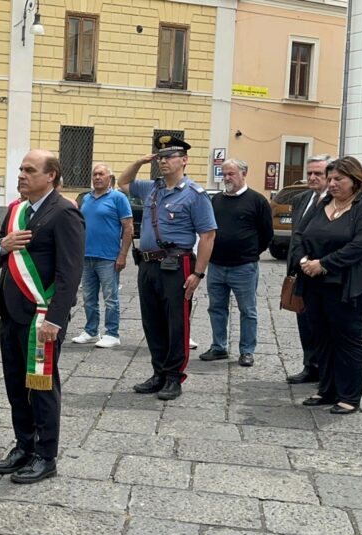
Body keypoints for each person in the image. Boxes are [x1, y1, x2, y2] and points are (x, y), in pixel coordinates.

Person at [0, 150, 84, 483]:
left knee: (41, 386)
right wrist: (4, 245)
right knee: (16, 385)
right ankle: (24, 447)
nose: (22, 175)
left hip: (41, 318)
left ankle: (46, 455)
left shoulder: (65, 213)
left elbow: (70, 272)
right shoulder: (16, 210)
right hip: (10, 314)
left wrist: (55, 320)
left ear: (51, 175)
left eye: (30, 170)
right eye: (21, 169)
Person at [120, 135, 216, 400]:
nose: (162, 161)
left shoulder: (194, 194)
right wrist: (139, 162)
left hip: (177, 264)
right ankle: (158, 372)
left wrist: (198, 273)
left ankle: (174, 377)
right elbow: (123, 182)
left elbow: (208, 236)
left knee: (176, 323)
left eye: (169, 157)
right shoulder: (152, 188)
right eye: (160, 157)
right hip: (148, 264)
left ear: (184, 160)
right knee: (152, 321)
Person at [292, 156, 362, 414]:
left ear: (355, 180)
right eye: (330, 178)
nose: (332, 183)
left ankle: (349, 396)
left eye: (338, 179)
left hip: (350, 283)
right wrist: (303, 260)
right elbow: (300, 234)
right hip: (315, 282)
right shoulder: (323, 204)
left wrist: (324, 264)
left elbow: (361, 245)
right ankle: (327, 389)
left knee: (348, 339)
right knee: (321, 336)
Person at [198, 159, 273, 367]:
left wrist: (251, 252)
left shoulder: (257, 201)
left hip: (244, 267)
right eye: (224, 174)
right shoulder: (216, 200)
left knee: (247, 310)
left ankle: (247, 351)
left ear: (244, 174)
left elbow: (267, 234)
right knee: (216, 308)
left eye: (231, 174)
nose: (227, 178)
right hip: (216, 265)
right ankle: (218, 347)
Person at [72, 163, 132, 348]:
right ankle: (91, 331)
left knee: (110, 298)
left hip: (108, 257)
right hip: (86, 256)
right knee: (88, 298)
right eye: (94, 174)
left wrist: (123, 255)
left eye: (101, 174)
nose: (97, 177)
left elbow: (128, 228)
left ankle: (112, 334)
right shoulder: (86, 198)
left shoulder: (118, 198)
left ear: (110, 178)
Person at [286, 155, 332, 384]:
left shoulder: (336, 201)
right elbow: (297, 235)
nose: (312, 177)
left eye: (318, 174)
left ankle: (325, 370)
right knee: (304, 322)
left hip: (323, 271)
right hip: (300, 271)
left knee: (323, 326)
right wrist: (298, 262)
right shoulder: (301, 199)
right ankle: (310, 366)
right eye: (310, 173)